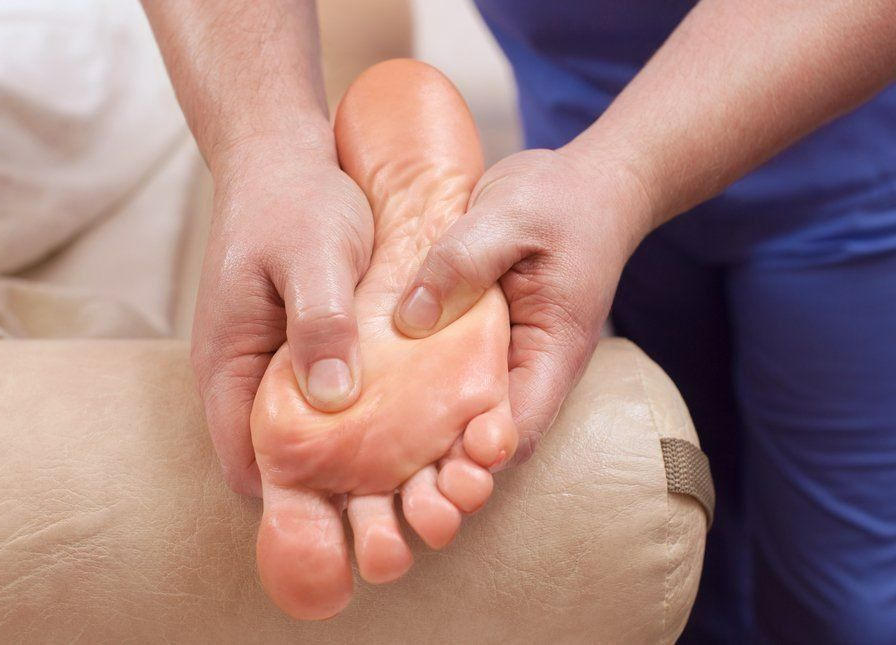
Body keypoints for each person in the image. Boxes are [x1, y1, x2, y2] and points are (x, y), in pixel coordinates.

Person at [142, 1, 896, 641]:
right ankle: (421, 270)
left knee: (839, 594)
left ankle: (421, 283)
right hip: (585, 148)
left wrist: (622, 173)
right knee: (690, 510)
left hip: (848, 173)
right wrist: (265, 150)